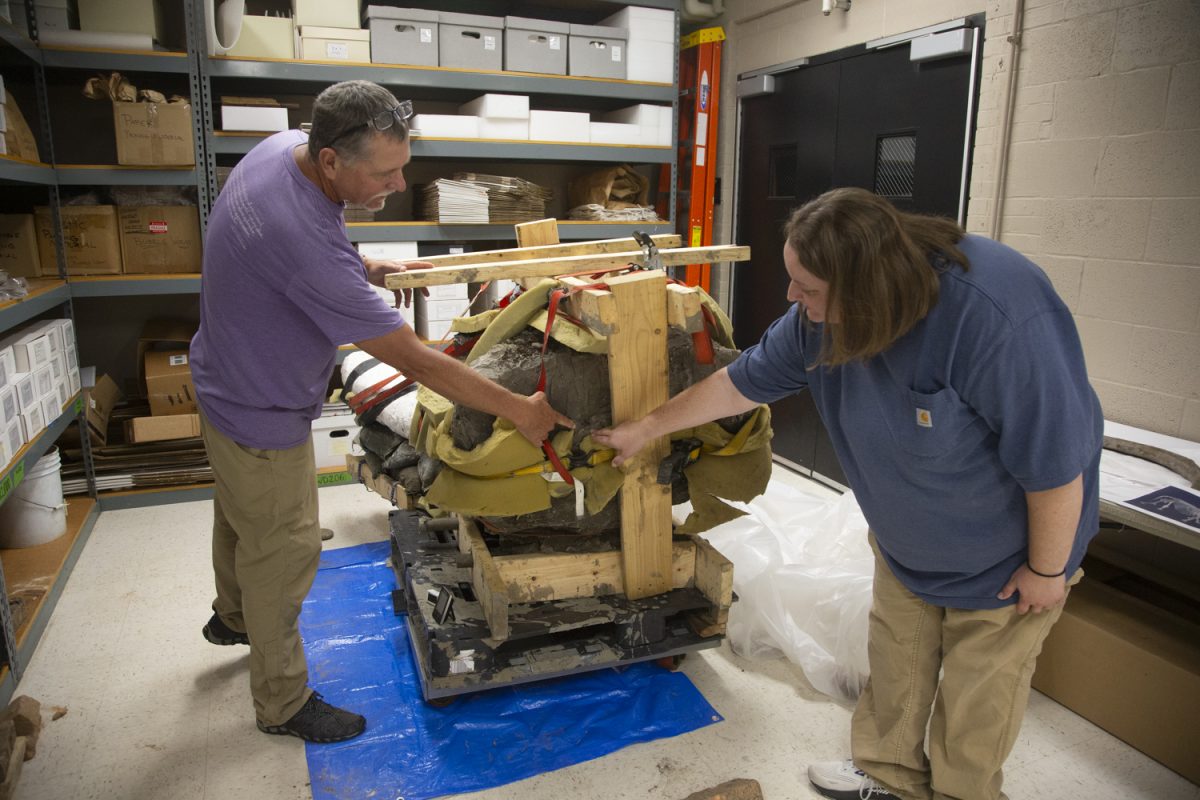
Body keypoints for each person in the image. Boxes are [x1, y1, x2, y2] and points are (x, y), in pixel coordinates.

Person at [594, 187, 1103, 800]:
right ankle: (888, 776)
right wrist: (646, 427)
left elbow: (1054, 466)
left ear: (869, 288)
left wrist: (1046, 569)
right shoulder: (818, 323)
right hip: (905, 540)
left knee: (977, 703)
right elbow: (742, 383)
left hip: (1004, 560)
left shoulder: (995, 313)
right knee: (896, 667)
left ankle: (962, 794)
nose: (792, 298)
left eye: (807, 288)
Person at [190, 80, 571, 744]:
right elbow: (419, 363)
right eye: (385, 172)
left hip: (221, 378)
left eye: (403, 165)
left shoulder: (282, 150)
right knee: (285, 546)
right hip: (260, 405)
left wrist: (359, 264)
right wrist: (521, 410)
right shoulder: (302, 240)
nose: (398, 183)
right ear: (333, 159)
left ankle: (234, 617)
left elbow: (309, 241)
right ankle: (280, 703)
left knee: (240, 514)